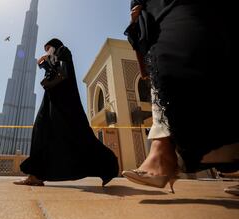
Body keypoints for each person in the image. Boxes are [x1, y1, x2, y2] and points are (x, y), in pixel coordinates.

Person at [122, 0, 238, 193]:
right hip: (155, 11)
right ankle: (161, 155)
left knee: (191, 51)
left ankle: (162, 155)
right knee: (162, 67)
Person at [14, 38, 119, 186]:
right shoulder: (56, 55)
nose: (47, 51)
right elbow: (54, 72)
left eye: (48, 48)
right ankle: (36, 175)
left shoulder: (63, 50)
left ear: (55, 45)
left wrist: (48, 60)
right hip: (52, 100)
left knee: (79, 136)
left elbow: (63, 73)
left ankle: (109, 164)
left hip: (64, 104)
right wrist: (46, 63)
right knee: (41, 132)